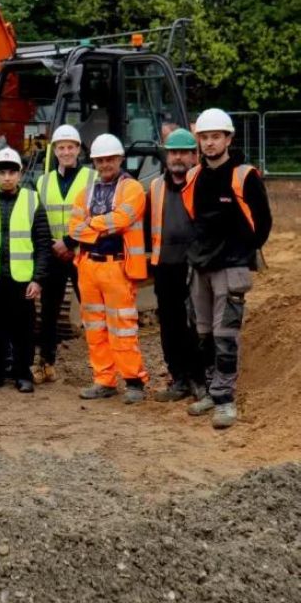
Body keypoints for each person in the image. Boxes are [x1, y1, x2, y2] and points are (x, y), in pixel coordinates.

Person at [182, 108, 272, 429]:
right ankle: (210, 388)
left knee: (225, 334)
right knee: (203, 333)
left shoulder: (244, 176)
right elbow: (194, 218)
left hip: (230, 267)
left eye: (215, 137)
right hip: (201, 266)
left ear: (228, 139)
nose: (209, 143)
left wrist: (239, 252)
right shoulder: (194, 176)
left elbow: (263, 224)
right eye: (204, 138)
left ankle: (225, 399)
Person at [67, 133, 150, 404]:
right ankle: (104, 380)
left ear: (120, 159)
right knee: (95, 327)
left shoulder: (133, 188)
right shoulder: (85, 193)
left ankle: (134, 381)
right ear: (94, 163)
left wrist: (92, 225)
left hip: (117, 267)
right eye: (100, 160)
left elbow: (124, 218)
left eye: (109, 159)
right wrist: (101, 227)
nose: (105, 165)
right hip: (88, 267)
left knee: (122, 326)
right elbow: (74, 228)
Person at [0, 148, 52, 393]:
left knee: (23, 329)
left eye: (12, 172)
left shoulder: (32, 200)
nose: (7, 177)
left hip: (22, 279)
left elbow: (43, 243)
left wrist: (38, 279)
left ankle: (22, 372)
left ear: (20, 174)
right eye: (2, 172)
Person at [33, 125, 95, 383]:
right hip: (53, 254)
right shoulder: (43, 181)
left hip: (82, 253)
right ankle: (46, 363)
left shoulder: (92, 178)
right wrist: (53, 246)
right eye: (61, 147)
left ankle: (101, 369)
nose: (66, 151)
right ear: (54, 150)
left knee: (92, 311)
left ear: (78, 149)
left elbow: (96, 217)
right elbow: (39, 220)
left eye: (71, 147)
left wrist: (70, 243)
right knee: (48, 312)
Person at [148, 128, 204, 404]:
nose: (177, 158)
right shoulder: (156, 186)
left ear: (195, 156)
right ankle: (179, 377)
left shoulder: (202, 182)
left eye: (183, 152)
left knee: (197, 324)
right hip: (165, 265)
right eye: (173, 152)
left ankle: (199, 378)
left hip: (195, 265)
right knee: (170, 324)